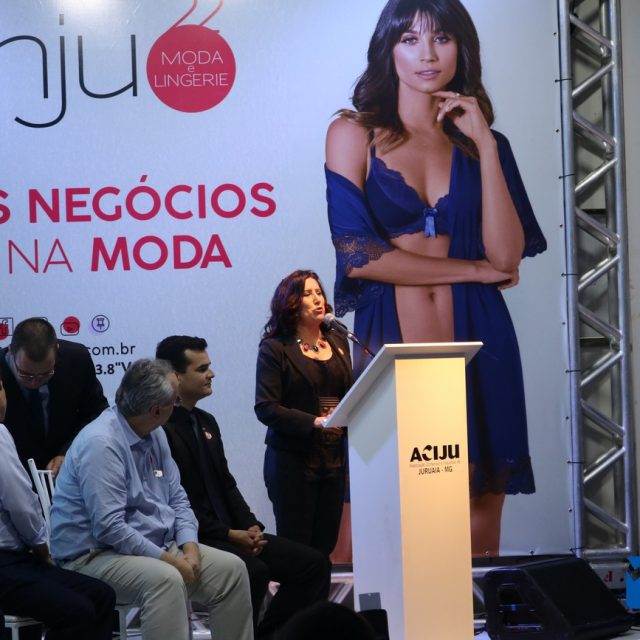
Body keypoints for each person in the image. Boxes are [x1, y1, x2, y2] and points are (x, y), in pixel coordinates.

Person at [325, 0, 547, 556]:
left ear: (461, 48)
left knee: (475, 533)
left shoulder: (485, 145)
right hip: (390, 346)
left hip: (481, 341)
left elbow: (507, 255)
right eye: (410, 39)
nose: (427, 54)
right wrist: (474, 270)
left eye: (441, 38)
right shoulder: (353, 134)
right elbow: (358, 255)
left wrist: (487, 146)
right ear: (388, 48)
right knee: (362, 537)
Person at [49, 358, 254, 640]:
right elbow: (109, 528)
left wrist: (190, 547)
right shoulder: (101, 443)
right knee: (165, 580)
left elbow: (178, 498)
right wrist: (170, 561)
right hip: (92, 556)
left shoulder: (155, 433)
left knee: (232, 571)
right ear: (156, 410)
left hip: (154, 546)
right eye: (175, 401)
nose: (177, 405)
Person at [157, 335, 331, 639]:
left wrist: (251, 525)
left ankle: (270, 635)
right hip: (194, 538)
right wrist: (228, 534)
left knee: (314, 565)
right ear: (175, 376)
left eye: (209, 366)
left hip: (232, 533)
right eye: (202, 369)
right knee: (253, 571)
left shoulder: (206, 421)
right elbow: (176, 503)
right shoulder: (160, 430)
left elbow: (226, 483)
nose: (211, 374)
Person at [0, 369, 116, 640]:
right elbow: (21, 504)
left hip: (14, 561)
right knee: (78, 611)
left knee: (101, 595)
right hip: (7, 563)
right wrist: (41, 546)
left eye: (0, 388)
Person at [254, 270, 353, 557]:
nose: (317, 299)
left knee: (325, 547)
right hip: (294, 463)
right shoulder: (275, 348)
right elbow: (266, 407)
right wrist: (314, 422)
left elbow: (348, 394)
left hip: (333, 459)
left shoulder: (338, 341)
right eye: (308, 294)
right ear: (291, 303)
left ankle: (320, 590)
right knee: (298, 551)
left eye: (319, 292)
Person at [0, 317, 108, 475]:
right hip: (11, 474)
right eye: (25, 374)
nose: (35, 382)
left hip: (67, 472)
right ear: (11, 351)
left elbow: (96, 413)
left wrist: (69, 451)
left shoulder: (76, 360)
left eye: (46, 374)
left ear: (56, 350)